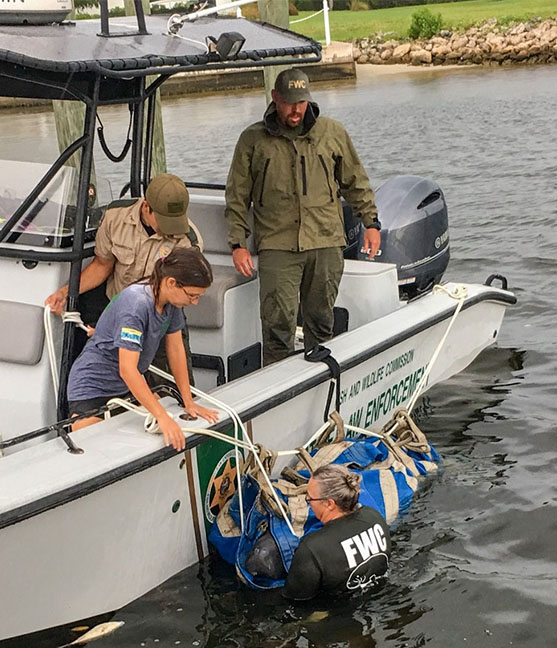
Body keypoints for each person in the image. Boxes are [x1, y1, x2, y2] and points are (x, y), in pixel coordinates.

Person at [225, 68, 382, 366]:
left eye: (301, 102)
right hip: (277, 246)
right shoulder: (252, 140)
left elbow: (355, 182)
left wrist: (371, 222)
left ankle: (323, 387)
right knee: (277, 328)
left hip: (325, 242)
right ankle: (277, 391)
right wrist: (237, 243)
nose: (296, 109)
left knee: (322, 323)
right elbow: (236, 197)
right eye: (289, 102)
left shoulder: (333, 132)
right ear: (275, 98)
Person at [45, 173, 204, 375]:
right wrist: (66, 292)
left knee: (170, 385)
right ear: (147, 207)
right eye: (165, 221)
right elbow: (102, 265)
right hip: (116, 308)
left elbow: (178, 293)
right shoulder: (115, 216)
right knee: (105, 377)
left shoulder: (188, 241)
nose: (171, 230)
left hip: (161, 317)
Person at [66, 247, 219, 449]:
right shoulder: (136, 305)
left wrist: (188, 401)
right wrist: (161, 416)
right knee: (91, 444)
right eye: (192, 295)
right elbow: (127, 369)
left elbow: (176, 350)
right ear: (171, 282)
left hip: (126, 387)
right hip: (93, 387)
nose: (195, 302)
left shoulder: (172, 303)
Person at [283, 464, 390, 601]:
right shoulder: (375, 517)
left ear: (329, 504)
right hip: (379, 595)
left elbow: (295, 601)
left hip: (338, 613)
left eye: (309, 498)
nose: (308, 503)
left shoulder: (312, 548)